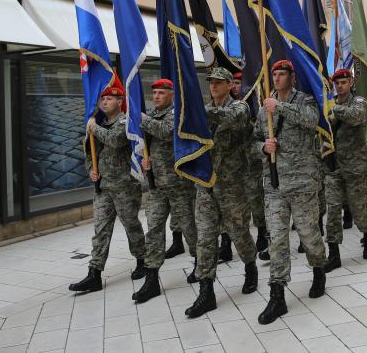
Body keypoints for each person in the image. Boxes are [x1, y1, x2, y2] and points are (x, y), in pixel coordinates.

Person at [254, 60, 327, 325]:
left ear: (292, 77)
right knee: (277, 239)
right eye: (274, 73)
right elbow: (253, 141)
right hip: (274, 185)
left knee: (309, 235)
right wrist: (264, 147)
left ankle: (318, 266)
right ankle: (277, 294)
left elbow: (312, 120)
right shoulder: (264, 109)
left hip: (303, 183)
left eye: (281, 73)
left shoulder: (305, 100)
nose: (276, 77)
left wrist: (279, 107)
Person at [185, 67, 257, 318]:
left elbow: (230, 119)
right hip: (205, 183)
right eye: (211, 82)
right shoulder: (200, 112)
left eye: (219, 82)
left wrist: (197, 111)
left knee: (238, 232)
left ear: (229, 85)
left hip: (231, 184)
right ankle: (207, 292)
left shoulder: (240, 107)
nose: (213, 86)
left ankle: (250, 266)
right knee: (205, 237)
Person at [69, 86, 146, 294]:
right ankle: (94, 273)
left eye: (110, 99)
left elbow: (115, 140)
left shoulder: (125, 122)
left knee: (131, 225)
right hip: (103, 187)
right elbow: (88, 151)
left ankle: (142, 260)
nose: (104, 102)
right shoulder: (98, 124)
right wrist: (91, 171)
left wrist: (93, 127)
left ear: (119, 101)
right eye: (102, 98)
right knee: (100, 230)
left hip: (125, 186)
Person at [134, 79, 197, 303]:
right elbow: (148, 143)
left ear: (172, 94)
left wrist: (140, 117)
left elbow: (165, 132)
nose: (157, 96)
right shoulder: (152, 115)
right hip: (157, 185)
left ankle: (200, 261)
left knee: (189, 226)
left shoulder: (177, 114)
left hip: (179, 183)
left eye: (162, 93)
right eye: (155, 93)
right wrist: (144, 159)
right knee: (154, 229)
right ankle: (151, 278)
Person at [323, 69, 367, 273]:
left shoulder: (359, 101)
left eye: (344, 82)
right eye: (337, 83)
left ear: (351, 82)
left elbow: (357, 116)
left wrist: (334, 109)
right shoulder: (331, 102)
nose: (340, 86)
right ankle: (334, 254)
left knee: (358, 208)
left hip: (355, 166)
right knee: (333, 211)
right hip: (333, 166)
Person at [231, 71, 270, 258]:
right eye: (233, 82)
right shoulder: (228, 105)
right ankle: (228, 239)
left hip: (250, 160)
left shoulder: (251, 104)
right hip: (232, 162)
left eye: (238, 82)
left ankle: (262, 231)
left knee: (255, 198)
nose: (235, 86)